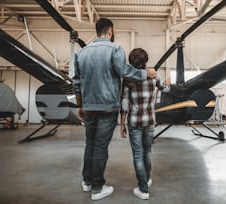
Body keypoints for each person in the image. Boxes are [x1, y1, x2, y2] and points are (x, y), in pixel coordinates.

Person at [72, 18, 157, 201]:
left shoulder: (81, 53)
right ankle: (97, 188)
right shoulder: (115, 49)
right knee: (101, 147)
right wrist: (146, 73)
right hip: (107, 107)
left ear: (97, 31)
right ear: (110, 31)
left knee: (90, 144)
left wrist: (79, 105)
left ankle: (87, 181)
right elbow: (124, 71)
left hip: (87, 106)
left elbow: (76, 83)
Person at [120, 48, 170, 200]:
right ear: (145, 60)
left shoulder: (128, 80)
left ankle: (143, 189)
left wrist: (122, 124)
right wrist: (168, 83)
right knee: (147, 151)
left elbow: (124, 104)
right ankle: (146, 180)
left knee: (138, 154)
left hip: (134, 121)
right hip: (150, 120)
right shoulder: (154, 77)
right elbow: (166, 89)